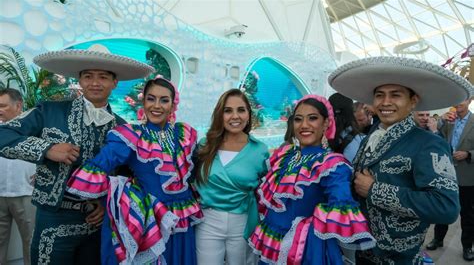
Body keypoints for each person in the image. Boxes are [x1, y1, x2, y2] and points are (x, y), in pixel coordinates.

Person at [0, 44, 154, 264]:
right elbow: (2, 134)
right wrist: (47, 149)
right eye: (88, 76)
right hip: (53, 218)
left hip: (97, 222)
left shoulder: (122, 127)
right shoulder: (50, 110)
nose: (94, 82)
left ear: (114, 82)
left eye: (102, 77)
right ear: (80, 80)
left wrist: (105, 202)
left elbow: (125, 176)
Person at [328, 56, 472, 264]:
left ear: (413, 101)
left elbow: (446, 207)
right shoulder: (371, 136)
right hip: (362, 253)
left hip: (400, 259)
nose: (385, 102)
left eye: (395, 95)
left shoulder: (428, 143)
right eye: (379, 95)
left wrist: (375, 191)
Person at [66, 76, 203, 264]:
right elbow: (101, 164)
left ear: (172, 105)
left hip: (182, 218)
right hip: (151, 219)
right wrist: (115, 196)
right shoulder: (133, 135)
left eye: (164, 100)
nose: (157, 105)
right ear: (143, 101)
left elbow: (197, 169)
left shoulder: (185, 134)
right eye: (151, 98)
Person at [248, 94, 375, 264]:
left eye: (313, 118)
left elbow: (340, 200)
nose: (304, 125)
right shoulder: (284, 155)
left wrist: (309, 225)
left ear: (326, 123)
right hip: (273, 243)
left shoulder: (333, 164)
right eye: (298, 119)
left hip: (304, 250)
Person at [195, 88, 269, 265]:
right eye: (228, 110)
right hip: (208, 222)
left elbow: (266, 191)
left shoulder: (260, 150)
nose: (235, 116)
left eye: (241, 110)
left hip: (243, 222)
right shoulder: (204, 145)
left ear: (249, 114)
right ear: (220, 115)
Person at [425, 97, 474, 261]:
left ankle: (467, 246)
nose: (460, 102)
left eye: (464, 99)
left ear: (470, 100)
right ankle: (438, 239)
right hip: (445, 173)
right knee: (442, 208)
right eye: (457, 99)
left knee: (467, 213)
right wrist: (439, 121)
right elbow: (434, 134)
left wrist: (468, 154)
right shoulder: (449, 120)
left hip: (467, 176)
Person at [0, 88, 36, 265]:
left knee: (31, 242)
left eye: (3, 106)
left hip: (26, 193)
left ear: (18, 105)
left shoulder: (35, 126)